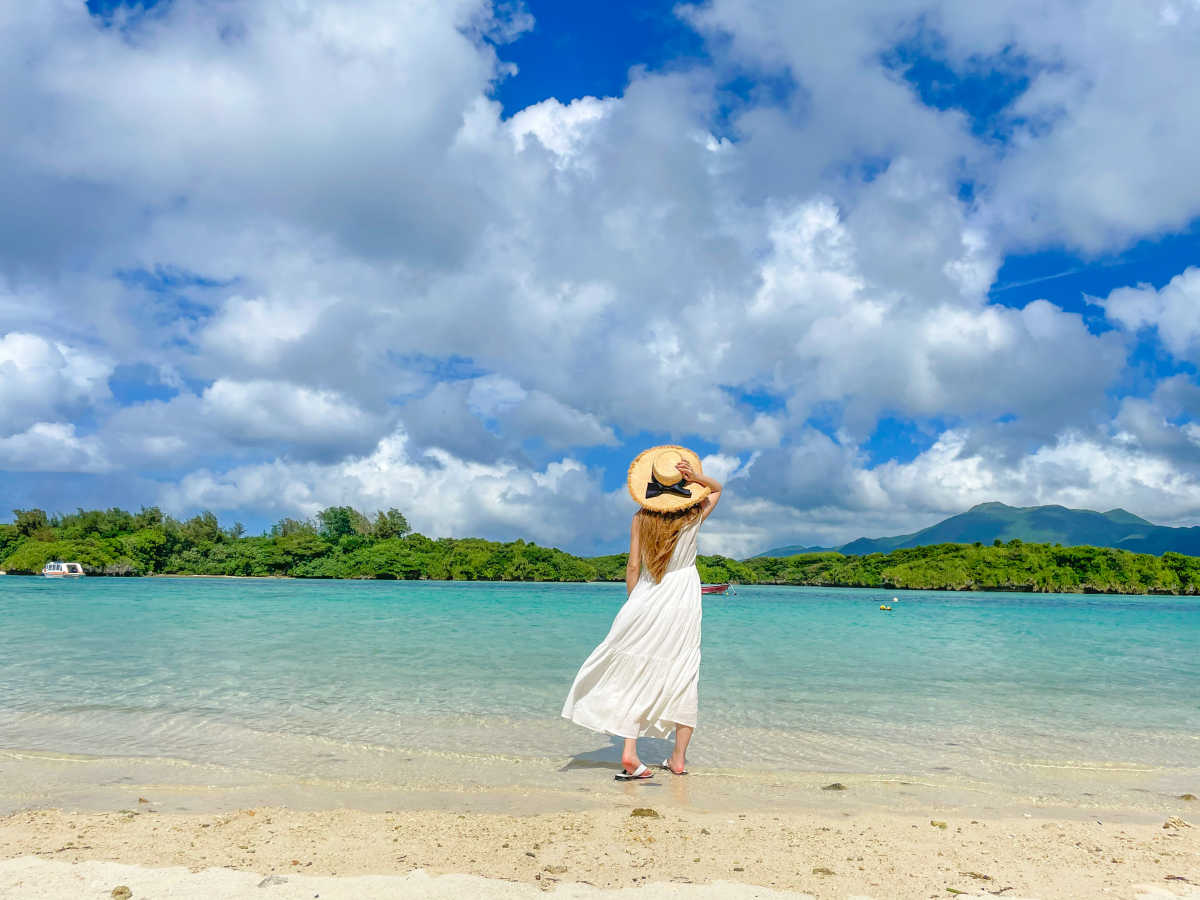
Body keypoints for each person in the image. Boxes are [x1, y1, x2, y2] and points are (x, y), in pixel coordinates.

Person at [561, 445, 723, 781]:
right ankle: (677, 759)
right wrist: (697, 478)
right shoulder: (692, 517)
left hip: (647, 596)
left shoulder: (639, 518)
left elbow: (633, 566)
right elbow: (717, 490)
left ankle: (630, 754)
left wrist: (635, 604)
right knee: (683, 671)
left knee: (633, 671)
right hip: (682, 598)